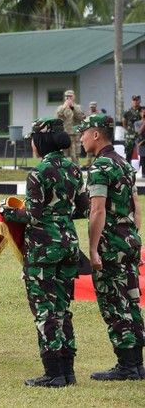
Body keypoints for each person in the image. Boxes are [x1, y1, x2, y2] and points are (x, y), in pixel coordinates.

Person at [0, 118, 89, 388]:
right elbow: (82, 209)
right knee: (63, 309)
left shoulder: (38, 172)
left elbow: (32, 215)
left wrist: (2, 210)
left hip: (43, 250)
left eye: (32, 139)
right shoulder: (74, 170)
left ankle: (53, 374)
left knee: (44, 311)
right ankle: (68, 371)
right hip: (68, 246)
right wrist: (59, 214)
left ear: (40, 141)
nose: (30, 143)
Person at [78, 114, 145, 381]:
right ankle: (137, 364)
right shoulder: (124, 164)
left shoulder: (100, 167)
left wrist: (93, 249)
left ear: (96, 135)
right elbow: (136, 207)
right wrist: (135, 238)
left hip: (110, 245)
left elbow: (97, 210)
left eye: (83, 134)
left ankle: (127, 366)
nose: (81, 139)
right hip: (129, 240)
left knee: (114, 303)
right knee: (131, 300)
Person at [55, 89, 84, 164]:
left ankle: (76, 171)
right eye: (67, 96)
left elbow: (81, 118)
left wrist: (73, 108)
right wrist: (64, 108)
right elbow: (57, 118)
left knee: (75, 155)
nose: (69, 98)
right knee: (63, 155)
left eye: (70, 96)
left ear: (74, 97)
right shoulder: (61, 108)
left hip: (75, 134)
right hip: (64, 134)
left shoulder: (78, 107)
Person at [122, 94, 142, 161]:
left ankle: (142, 170)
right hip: (130, 136)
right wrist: (130, 131)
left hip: (141, 136)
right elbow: (124, 123)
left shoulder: (143, 111)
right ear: (131, 101)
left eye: (137, 100)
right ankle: (128, 170)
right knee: (128, 154)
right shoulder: (127, 112)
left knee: (142, 154)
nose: (135, 102)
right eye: (134, 100)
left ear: (140, 101)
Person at [134, 107, 145, 176]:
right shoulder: (137, 123)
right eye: (143, 112)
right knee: (143, 160)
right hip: (142, 144)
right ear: (140, 113)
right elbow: (139, 132)